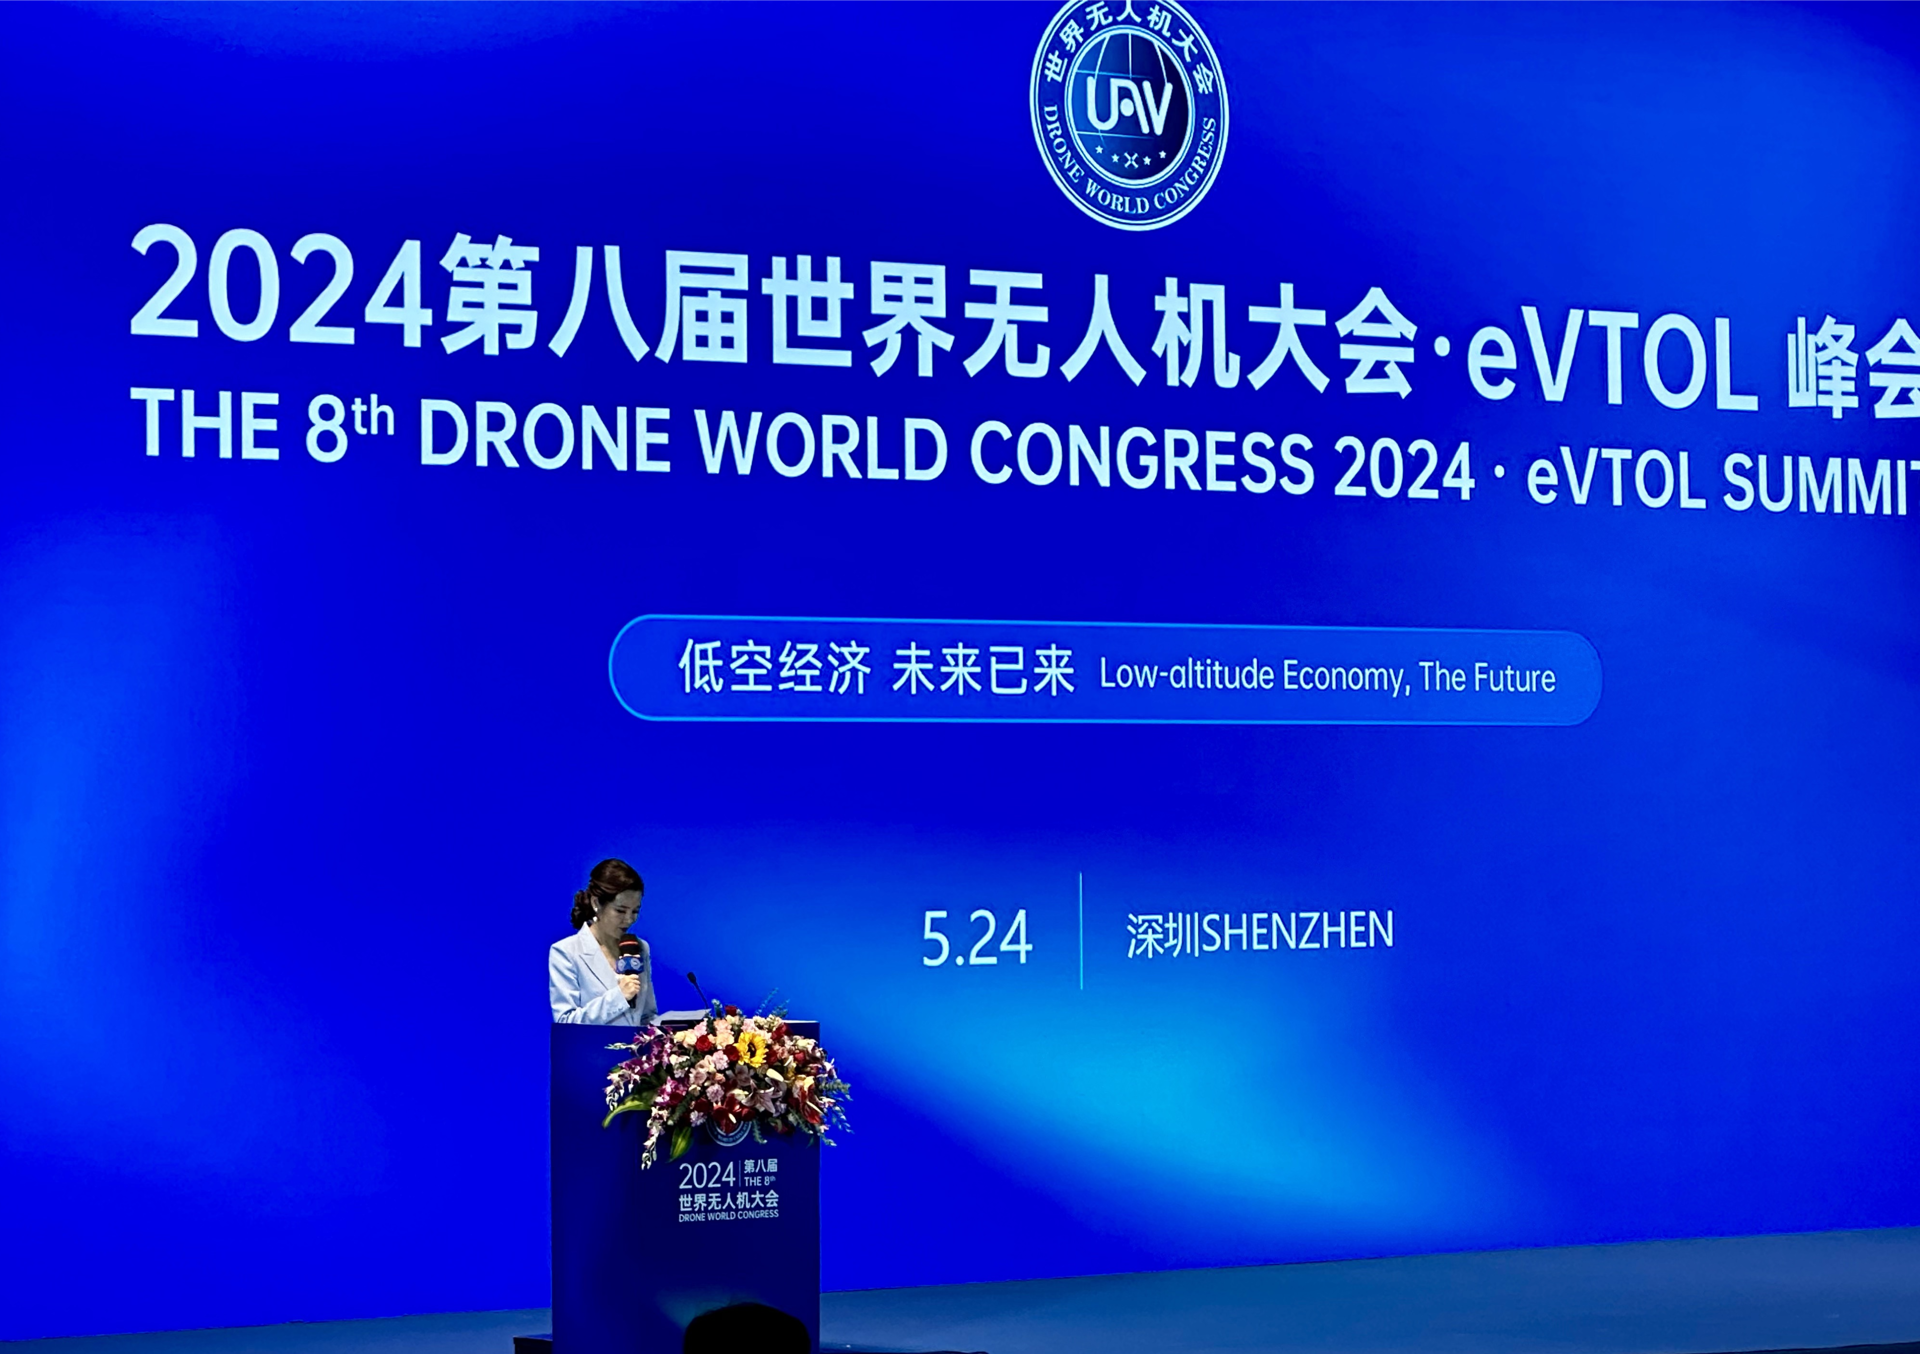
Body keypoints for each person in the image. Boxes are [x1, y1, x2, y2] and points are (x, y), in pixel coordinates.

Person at [549, 858, 658, 1025]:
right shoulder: (566, 952)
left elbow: (647, 1016)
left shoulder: (640, 947)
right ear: (596, 903)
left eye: (635, 911)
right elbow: (566, 1022)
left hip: (635, 1044)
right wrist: (618, 997)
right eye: (620, 911)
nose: (629, 919)